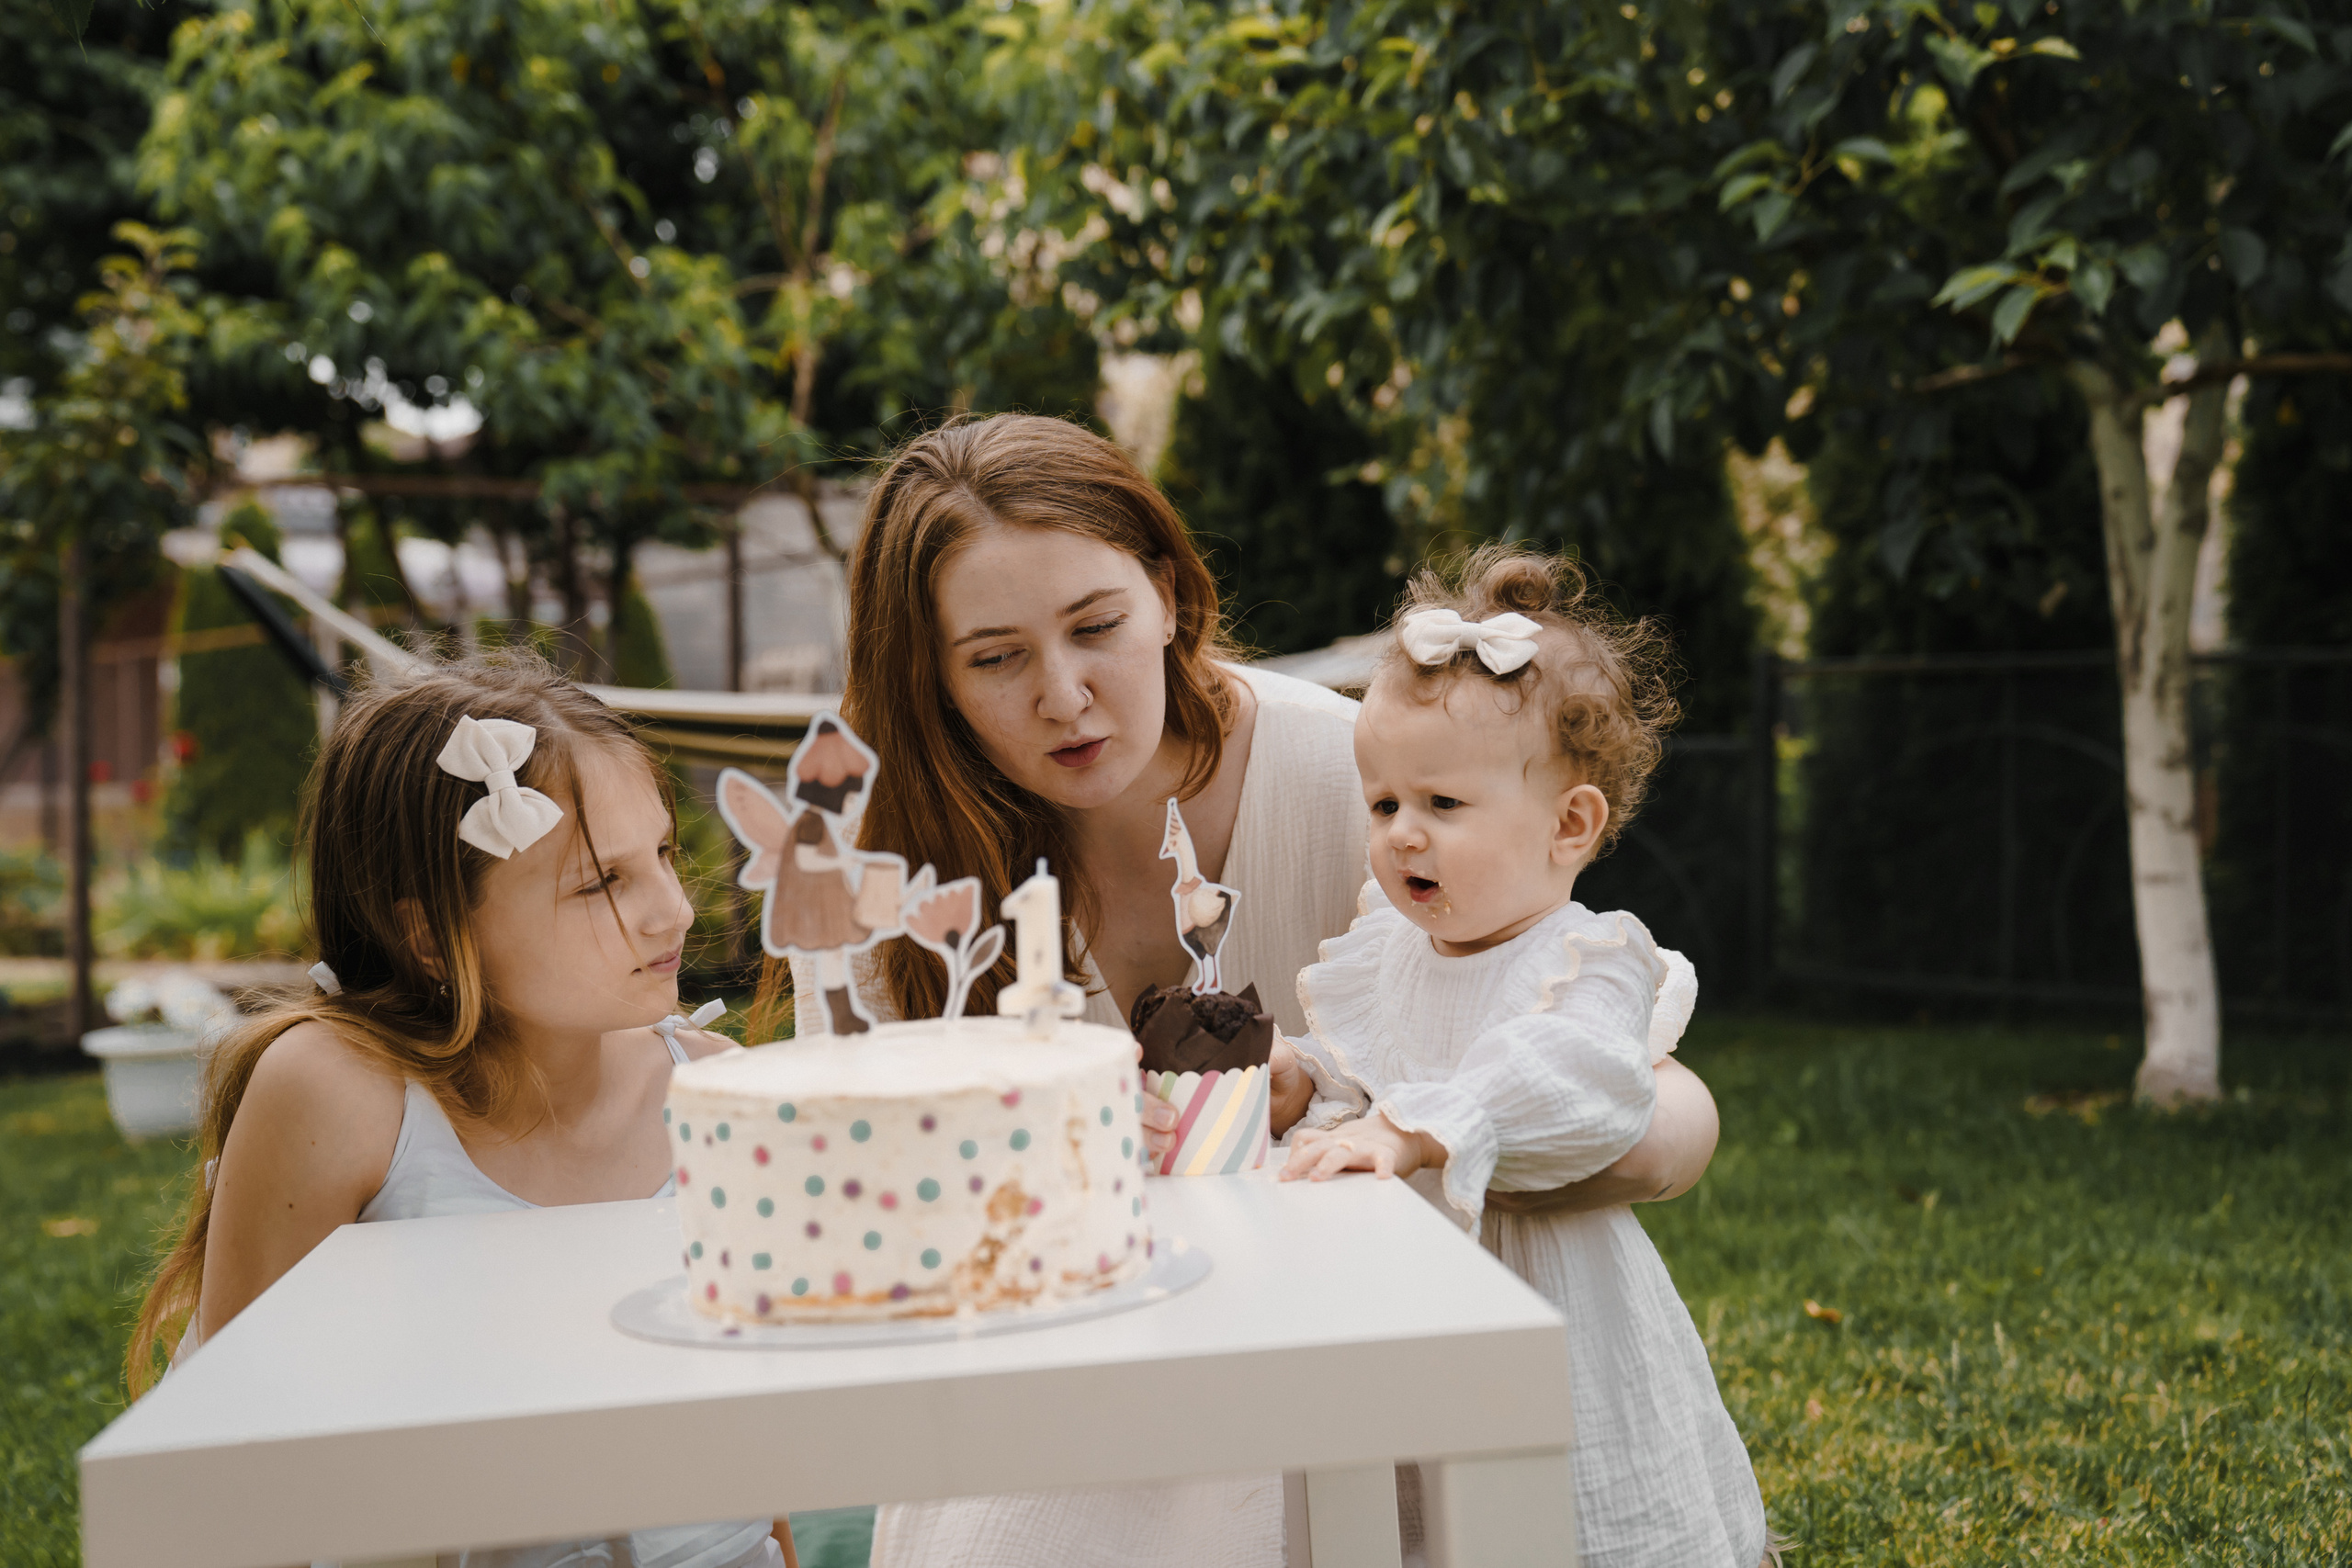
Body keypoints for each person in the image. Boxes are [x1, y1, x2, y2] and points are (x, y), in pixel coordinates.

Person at [763, 412, 1725, 1568]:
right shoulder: (906, 876)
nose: (1064, 696)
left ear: (1168, 592)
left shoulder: (1364, 785)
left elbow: (1638, 1100)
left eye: (1095, 627)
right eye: (995, 657)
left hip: (1358, 1367)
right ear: (933, 675)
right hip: (1082, 1378)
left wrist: (1410, 1130)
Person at [127, 653, 792, 1568]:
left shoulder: (714, 1092)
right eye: (602, 884)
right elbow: (235, 1467)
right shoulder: (339, 1096)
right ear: (428, 936)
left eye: (664, 855)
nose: (672, 910)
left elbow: (763, 1445)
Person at [1281, 547, 1770, 1567]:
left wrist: (1420, 1130)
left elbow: (1578, 1086)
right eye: (1384, 805)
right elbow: (1370, 1072)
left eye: (1442, 807)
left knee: (1570, 1512)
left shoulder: (1588, 961)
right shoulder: (1392, 952)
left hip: (1551, 1299)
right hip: (1414, 1297)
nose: (1401, 836)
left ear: (1568, 824)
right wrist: (1301, 1081)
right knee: (1428, 1513)